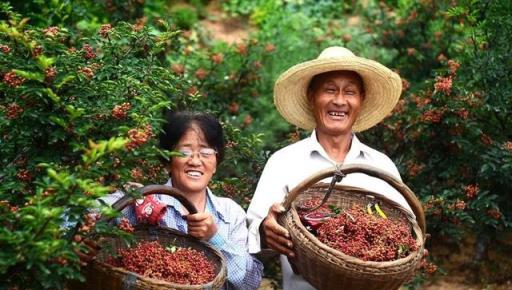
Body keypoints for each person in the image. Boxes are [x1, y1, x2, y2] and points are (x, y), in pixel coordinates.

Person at [246, 46, 414, 290]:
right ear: (312, 96)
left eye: (350, 92)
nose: (339, 100)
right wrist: (265, 231)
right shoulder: (283, 162)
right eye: (330, 90)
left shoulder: (381, 166)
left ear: (361, 99)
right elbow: (254, 232)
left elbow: (406, 232)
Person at [102, 111, 263, 290]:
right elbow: (79, 220)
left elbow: (249, 284)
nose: (195, 161)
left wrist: (215, 237)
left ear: (216, 162)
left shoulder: (230, 213)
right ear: (167, 162)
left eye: (206, 152)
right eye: (184, 152)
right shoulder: (143, 202)